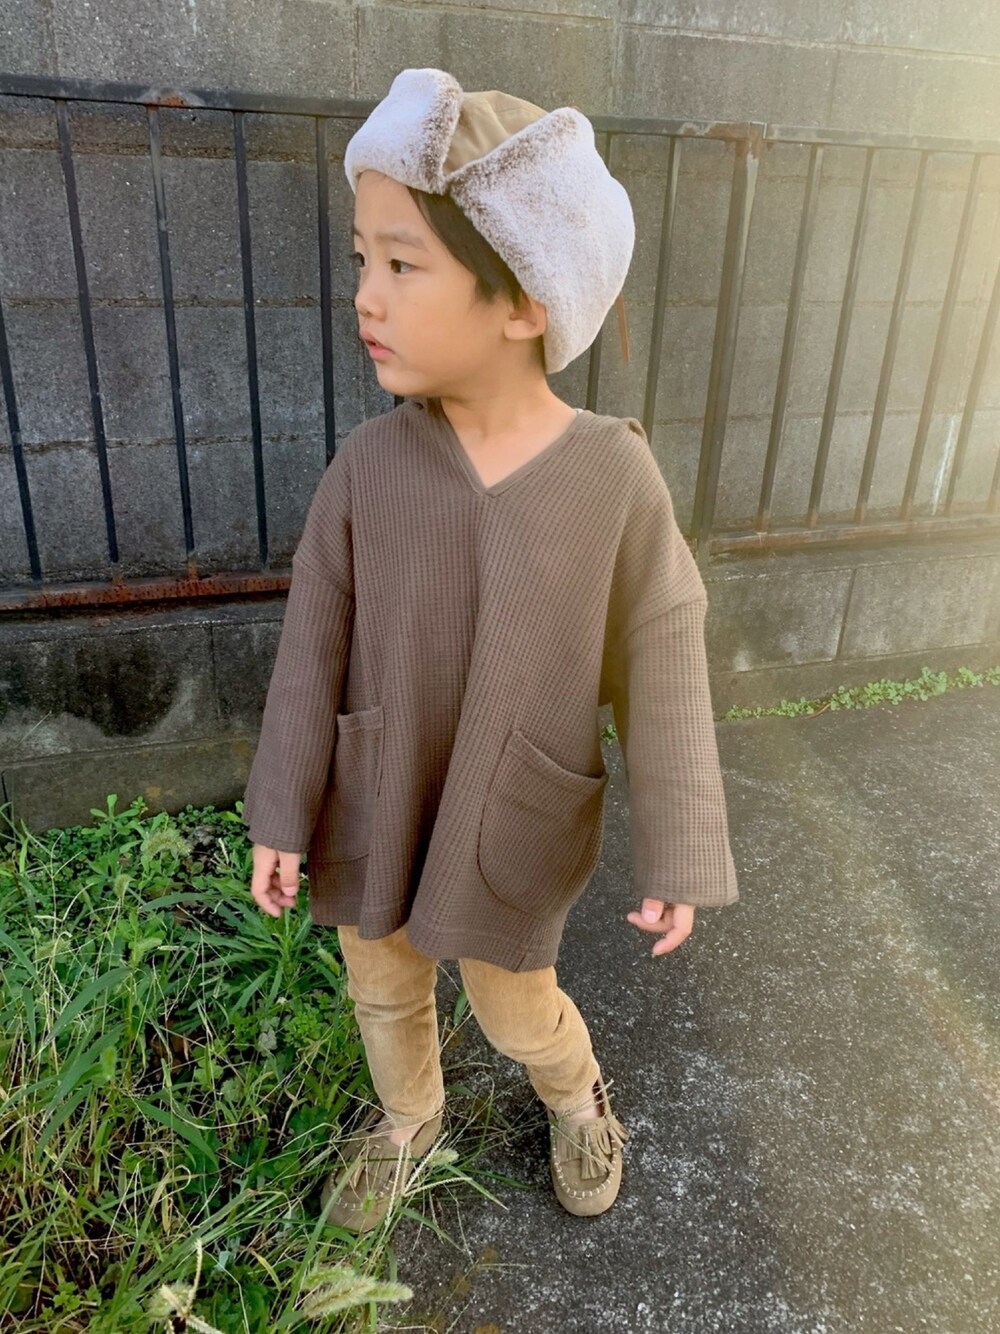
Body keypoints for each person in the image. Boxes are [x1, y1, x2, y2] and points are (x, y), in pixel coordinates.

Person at [242, 67, 739, 1230]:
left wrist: (678, 845)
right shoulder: (367, 468)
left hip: (510, 809)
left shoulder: (611, 476)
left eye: (401, 264)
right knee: (382, 984)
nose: (365, 295)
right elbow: (311, 645)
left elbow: (663, 655)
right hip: (377, 798)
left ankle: (574, 1093)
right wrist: (281, 810)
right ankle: (409, 1117)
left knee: (518, 1006)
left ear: (523, 298)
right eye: (361, 259)